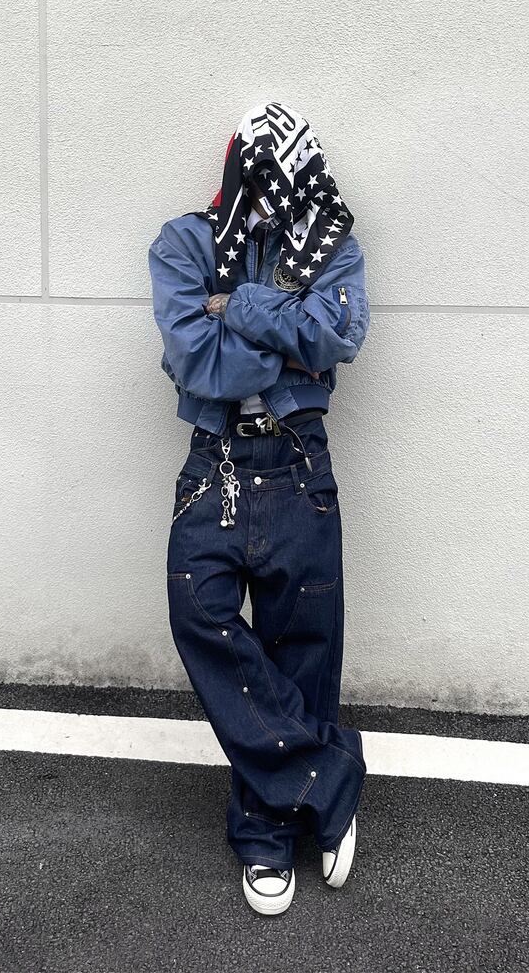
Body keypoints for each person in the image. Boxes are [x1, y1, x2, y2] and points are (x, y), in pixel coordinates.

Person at [148, 102, 370, 915]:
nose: (276, 191)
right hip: (215, 464)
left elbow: (340, 337)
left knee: (301, 646)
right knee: (198, 612)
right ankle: (329, 777)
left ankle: (265, 833)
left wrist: (236, 306)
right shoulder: (184, 244)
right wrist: (289, 332)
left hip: (300, 461)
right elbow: (199, 364)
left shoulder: (332, 245)